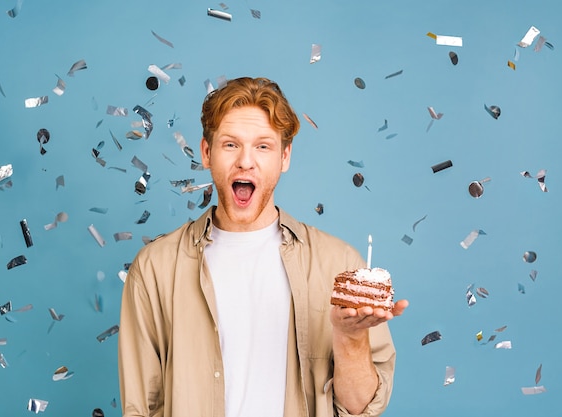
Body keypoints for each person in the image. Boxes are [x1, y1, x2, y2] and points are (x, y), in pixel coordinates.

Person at [118, 77, 408, 417]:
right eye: (230, 145)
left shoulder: (338, 264)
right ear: (206, 153)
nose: (245, 161)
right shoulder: (155, 269)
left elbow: (360, 408)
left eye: (263, 146)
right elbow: (140, 408)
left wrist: (350, 338)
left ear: (284, 157)